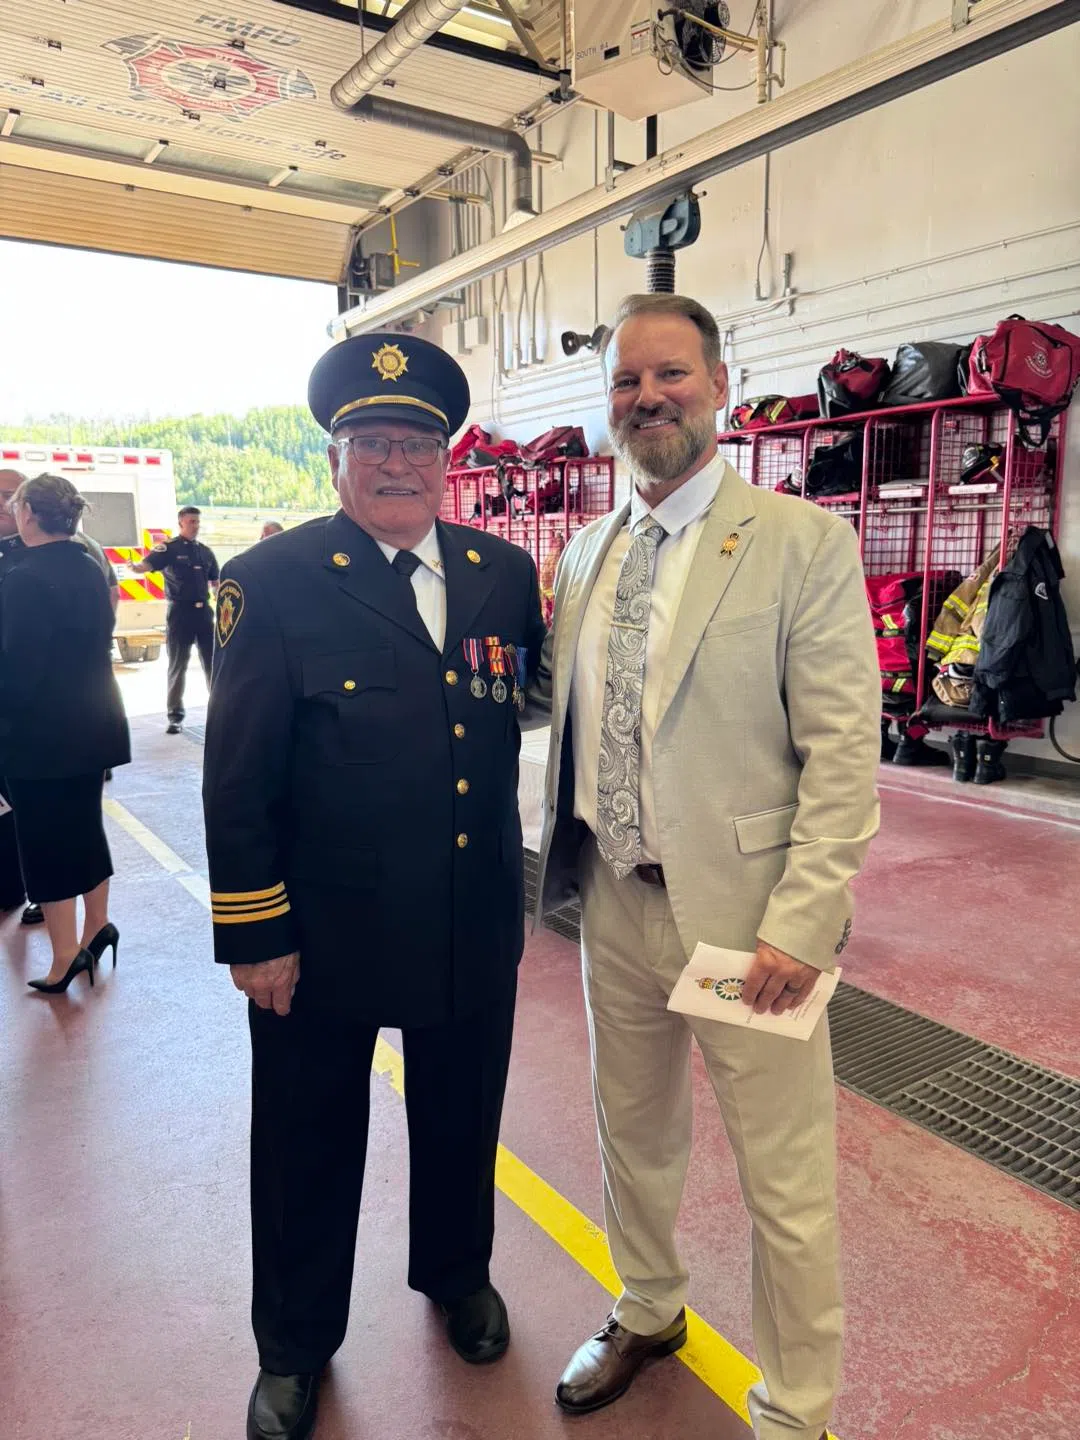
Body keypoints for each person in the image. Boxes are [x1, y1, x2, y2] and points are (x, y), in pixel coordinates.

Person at [535, 293, 881, 1440]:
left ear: (720, 385)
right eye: (627, 381)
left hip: (746, 928)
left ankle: (796, 1410)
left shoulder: (800, 545)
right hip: (614, 906)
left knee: (784, 1179)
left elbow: (843, 755)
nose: (649, 398)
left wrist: (803, 923)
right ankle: (647, 1308)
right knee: (630, 1132)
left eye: (671, 374)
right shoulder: (586, 554)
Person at [203, 332, 547, 1440]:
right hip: (323, 937)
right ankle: (294, 1344)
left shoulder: (502, 576)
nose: (398, 463)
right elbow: (237, 779)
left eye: (417, 444)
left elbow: (519, 713)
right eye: (372, 443)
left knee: (463, 1117)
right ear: (335, 458)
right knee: (304, 1144)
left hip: (468, 917)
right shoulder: (270, 583)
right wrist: (256, 934)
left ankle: (457, 1274)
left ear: (447, 458)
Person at [0, 474, 130, 991]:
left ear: (29, 514)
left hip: (41, 732)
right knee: (84, 827)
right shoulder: (87, 564)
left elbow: (19, 670)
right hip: (92, 720)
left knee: (44, 841)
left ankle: (63, 956)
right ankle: (97, 927)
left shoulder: (25, 577)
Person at [134, 504, 219, 734]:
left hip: (204, 613)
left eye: (197, 522)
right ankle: (175, 717)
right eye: (191, 522)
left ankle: (220, 710)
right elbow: (148, 564)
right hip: (180, 613)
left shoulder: (205, 552)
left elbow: (216, 582)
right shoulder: (169, 549)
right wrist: (136, 567)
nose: (195, 526)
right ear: (181, 522)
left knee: (213, 664)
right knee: (178, 665)